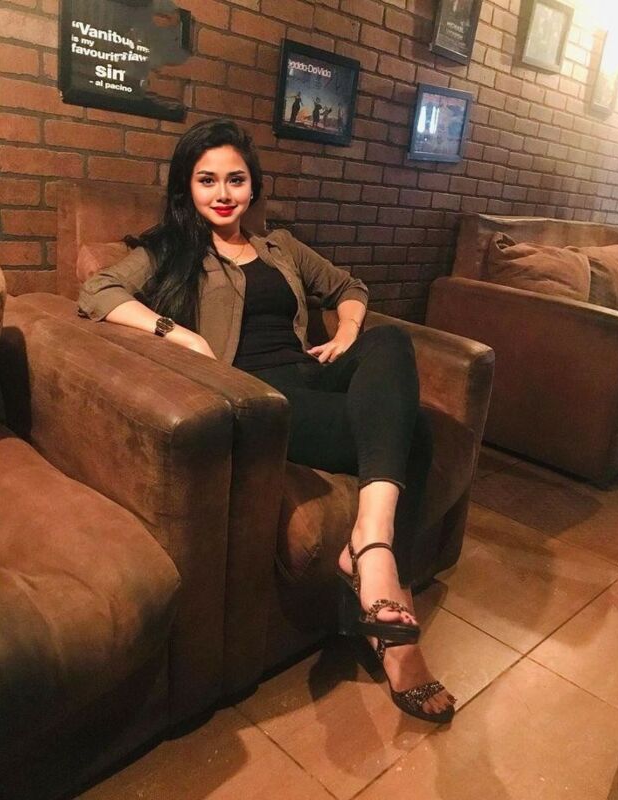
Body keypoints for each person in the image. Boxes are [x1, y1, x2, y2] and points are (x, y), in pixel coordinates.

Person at [78, 119, 456, 724]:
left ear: (253, 185)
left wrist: (346, 332)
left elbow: (350, 286)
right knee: (416, 430)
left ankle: (369, 544)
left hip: (311, 374)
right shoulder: (170, 251)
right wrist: (178, 334)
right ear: (187, 188)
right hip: (261, 397)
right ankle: (390, 612)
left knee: (389, 343)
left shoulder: (281, 246)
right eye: (206, 180)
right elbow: (97, 291)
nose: (223, 193)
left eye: (235, 179)